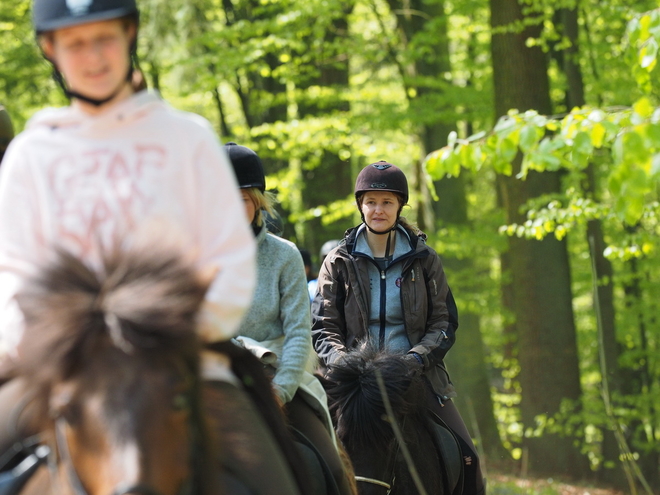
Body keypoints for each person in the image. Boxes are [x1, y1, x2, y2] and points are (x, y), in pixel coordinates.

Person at [0, 0, 269, 484]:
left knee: (281, 469)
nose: (94, 56)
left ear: (130, 34)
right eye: (76, 43)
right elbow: (11, 274)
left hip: (180, 356)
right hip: (63, 366)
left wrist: (179, 330)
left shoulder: (188, 139)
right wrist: (44, 345)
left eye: (104, 37)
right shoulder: (30, 156)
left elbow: (230, 260)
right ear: (49, 49)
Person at [312, 160, 486, 495]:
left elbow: (444, 322)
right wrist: (346, 366)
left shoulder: (425, 259)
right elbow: (322, 326)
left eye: (387, 202)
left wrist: (414, 360)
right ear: (360, 205)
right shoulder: (337, 260)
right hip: (351, 386)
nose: (378, 210)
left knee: (468, 458)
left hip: (413, 379)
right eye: (371, 202)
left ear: (399, 206)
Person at [225, 142, 353, 495]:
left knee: (329, 464)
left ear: (257, 202)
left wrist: (280, 391)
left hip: (278, 373)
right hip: (219, 375)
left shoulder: (284, 256)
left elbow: (299, 333)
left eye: (242, 199)